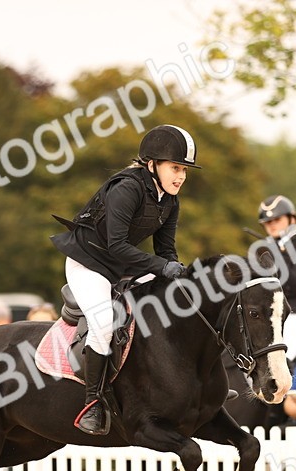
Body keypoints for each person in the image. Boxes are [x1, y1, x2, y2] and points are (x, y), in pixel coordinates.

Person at [50, 124, 199, 435]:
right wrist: (162, 267)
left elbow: (166, 250)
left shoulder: (169, 200)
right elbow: (115, 244)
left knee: (174, 299)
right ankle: (93, 402)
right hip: (89, 264)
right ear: (152, 164)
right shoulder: (126, 189)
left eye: (184, 170)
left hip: (121, 266)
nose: (181, 176)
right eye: (175, 168)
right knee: (104, 323)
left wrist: (177, 274)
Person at [257, 194, 296, 363]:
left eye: (276, 220)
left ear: (292, 219)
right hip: (270, 314)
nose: (272, 225)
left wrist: (276, 254)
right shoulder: (266, 250)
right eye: (268, 223)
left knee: (278, 362)